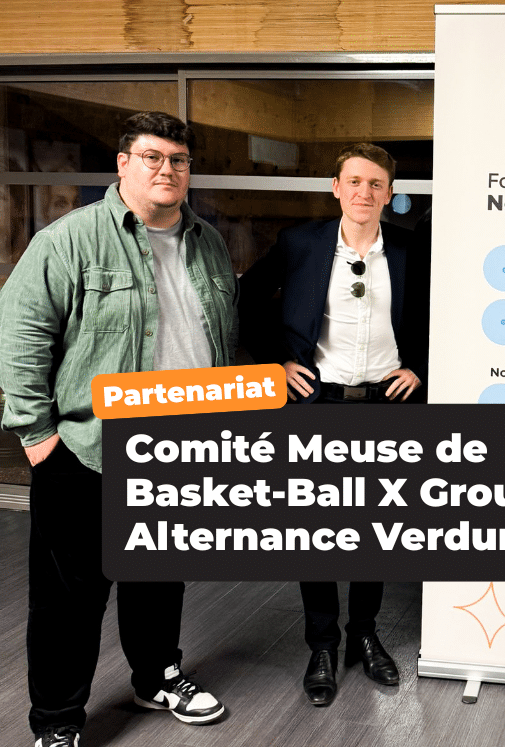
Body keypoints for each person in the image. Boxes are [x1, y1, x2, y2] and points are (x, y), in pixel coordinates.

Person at [0, 112, 237, 747]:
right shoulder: (68, 241)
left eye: (179, 160)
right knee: (68, 601)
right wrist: (38, 441)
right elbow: (20, 342)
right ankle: (57, 722)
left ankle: (157, 677)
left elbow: (218, 339)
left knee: (159, 579)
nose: (168, 169)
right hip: (85, 450)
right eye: (154, 157)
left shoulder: (207, 243)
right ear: (124, 165)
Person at [238, 142, 429, 706]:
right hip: (317, 404)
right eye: (354, 181)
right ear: (336, 188)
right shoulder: (301, 243)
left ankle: (364, 636)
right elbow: (248, 296)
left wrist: (420, 367)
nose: (364, 192)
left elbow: (441, 314)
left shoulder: (413, 248)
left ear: (389, 194)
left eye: (375, 184)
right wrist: (277, 363)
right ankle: (321, 644)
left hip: (385, 405)